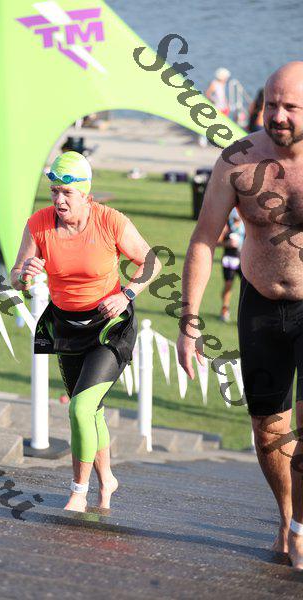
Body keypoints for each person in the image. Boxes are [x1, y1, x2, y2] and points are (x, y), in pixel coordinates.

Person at [176, 62, 303, 570]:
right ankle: (287, 516)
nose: (278, 116)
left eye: (291, 107)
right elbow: (203, 240)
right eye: (271, 104)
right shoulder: (237, 160)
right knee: (269, 430)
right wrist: (189, 321)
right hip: (261, 305)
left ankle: (300, 529)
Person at [11, 151, 161, 513]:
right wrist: (24, 274)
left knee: (79, 408)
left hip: (109, 327)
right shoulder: (39, 224)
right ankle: (107, 479)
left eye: (67, 193)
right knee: (91, 412)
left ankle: (78, 491)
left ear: (86, 195)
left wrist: (127, 294)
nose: (59, 200)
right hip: (66, 327)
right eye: (54, 192)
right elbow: (16, 277)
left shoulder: (109, 221)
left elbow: (151, 261)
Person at [218, 207, 245, 322]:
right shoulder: (227, 225)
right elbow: (217, 242)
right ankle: (225, 308)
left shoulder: (246, 225)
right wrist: (227, 244)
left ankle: (244, 313)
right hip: (229, 259)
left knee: (246, 287)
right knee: (228, 284)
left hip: (243, 260)